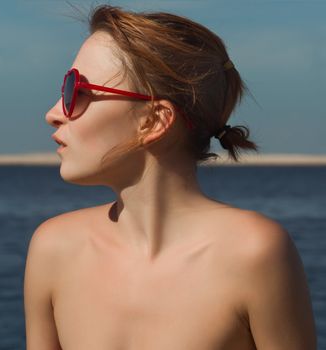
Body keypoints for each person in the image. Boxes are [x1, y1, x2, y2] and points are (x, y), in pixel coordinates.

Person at [24, 4, 317, 349]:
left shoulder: (253, 253)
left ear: (154, 121)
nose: (53, 114)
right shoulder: (54, 248)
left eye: (78, 91)